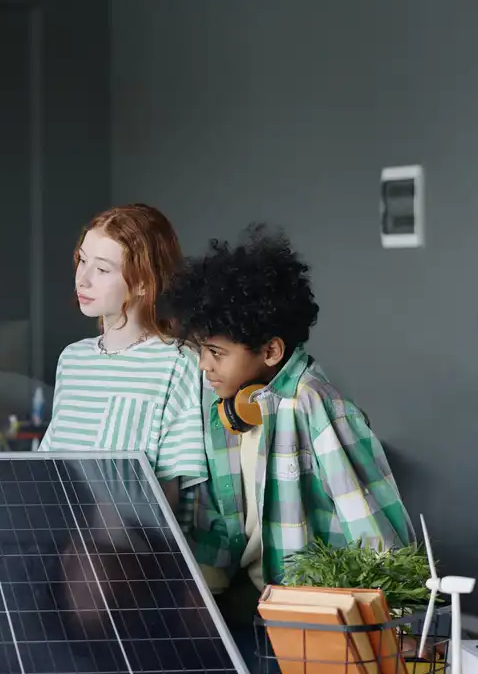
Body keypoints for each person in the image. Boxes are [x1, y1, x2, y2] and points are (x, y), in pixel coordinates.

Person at [165, 226, 413, 642]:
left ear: (271, 351)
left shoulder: (317, 407)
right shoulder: (221, 411)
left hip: (319, 606)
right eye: (200, 351)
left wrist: (396, 621)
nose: (204, 366)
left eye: (217, 354)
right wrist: (200, 591)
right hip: (259, 596)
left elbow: (372, 525)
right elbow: (223, 525)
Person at [39, 204, 207, 509]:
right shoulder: (72, 360)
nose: (83, 279)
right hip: (63, 535)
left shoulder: (178, 361)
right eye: (82, 261)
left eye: (102, 269)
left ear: (145, 281)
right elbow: (50, 471)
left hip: (133, 546)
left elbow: (170, 491)